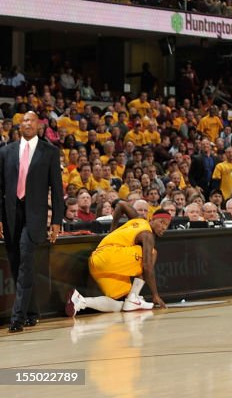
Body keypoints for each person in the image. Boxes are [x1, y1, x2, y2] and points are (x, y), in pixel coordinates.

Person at [0, 109, 64, 332]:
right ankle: (32, 312)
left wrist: (56, 220)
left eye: (31, 120)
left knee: (26, 259)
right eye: (23, 120)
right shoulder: (6, 152)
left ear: (39, 125)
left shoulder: (50, 152)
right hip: (10, 214)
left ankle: (17, 318)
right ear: (19, 125)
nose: (26, 123)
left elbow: (57, 190)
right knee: (18, 264)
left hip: (35, 216)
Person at [65, 201, 170, 316]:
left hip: (96, 261)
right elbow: (147, 267)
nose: (164, 227)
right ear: (152, 219)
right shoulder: (147, 235)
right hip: (109, 256)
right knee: (152, 253)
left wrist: (112, 229)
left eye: (167, 225)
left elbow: (121, 205)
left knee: (120, 305)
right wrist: (155, 295)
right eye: (161, 222)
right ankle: (133, 297)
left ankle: (80, 301)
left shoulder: (138, 219)